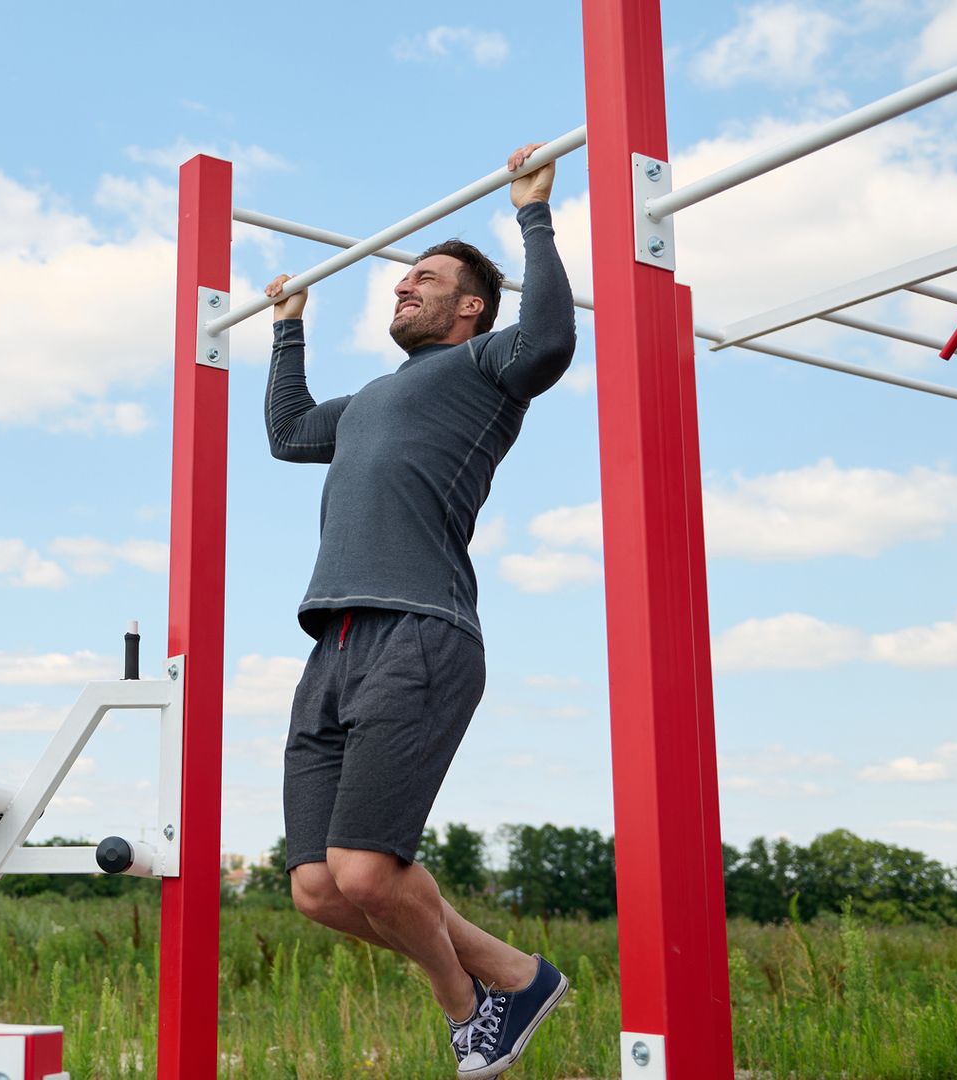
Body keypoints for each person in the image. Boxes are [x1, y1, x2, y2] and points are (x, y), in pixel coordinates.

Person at [262, 141, 575, 1078]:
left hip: (422, 631)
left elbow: (552, 338)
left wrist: (533, 215)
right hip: (335, 641)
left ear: (471, 306)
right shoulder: (367, 403)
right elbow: (286, 434)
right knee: (319, 889)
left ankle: (472, 1009)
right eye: (402, 279)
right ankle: (517, 977)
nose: (404, 288)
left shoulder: (487, 368)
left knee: (367, 869)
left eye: (424, 279)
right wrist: (287, 326)